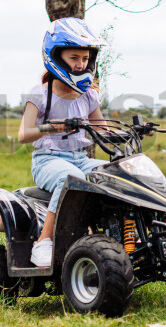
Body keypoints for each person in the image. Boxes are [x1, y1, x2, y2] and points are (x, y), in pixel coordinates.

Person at [18, 17, 107, 267]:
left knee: (116, 175)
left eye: (85, 59)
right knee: (70, 179)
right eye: (74, 58)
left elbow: (101, 128)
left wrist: (132, 131)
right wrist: (52, 127)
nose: (81, 64)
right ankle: (44, 242)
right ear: (56, 57)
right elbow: (23, 134)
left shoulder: (88, 94)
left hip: (81, 159)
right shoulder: (40, 92)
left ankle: (107, 236)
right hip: (48, 160)